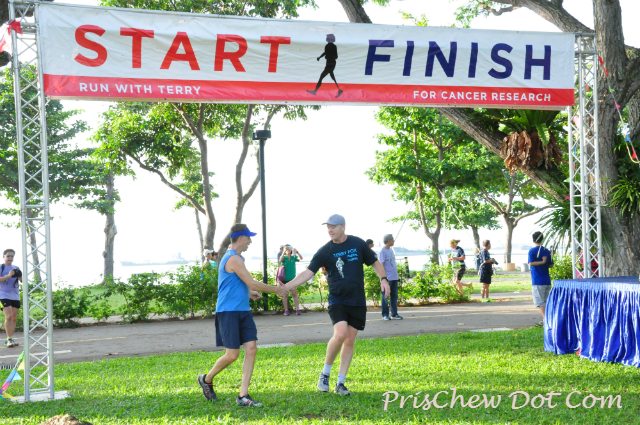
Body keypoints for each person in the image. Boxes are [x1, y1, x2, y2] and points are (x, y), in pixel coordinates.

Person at [284, 214, 390, 396]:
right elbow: (308, 273)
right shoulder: (325, 250)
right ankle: (325, 374)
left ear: (343, 227)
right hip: (337, 299)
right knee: (340, 334)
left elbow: (374, 262)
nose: (330, 230)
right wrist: (286, 287)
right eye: (328, 227)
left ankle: (340, 383)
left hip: (357, 299)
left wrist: (384, 279)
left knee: (350, 339)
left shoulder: (357, 243)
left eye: (333, 227)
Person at [197, 224, 288, 407]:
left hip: (243, 311)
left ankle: (243, 396)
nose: (250, 241)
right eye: (248, 238)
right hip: (228, 312)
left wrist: (248, 292)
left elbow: (238, 282)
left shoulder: (238, 258)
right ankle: (206, 379)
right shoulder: (232, 259)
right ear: (240, 238)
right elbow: (252, 283)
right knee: (232, 355)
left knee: (251, 349)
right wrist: (277, 289)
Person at [528, 231, 554, 327]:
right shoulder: (547, 251)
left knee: (540, 301)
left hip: (538, 280)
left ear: (533, 240)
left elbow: (531, 263)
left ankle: (546, 320)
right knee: (546, 300)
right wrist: (544, 263)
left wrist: (542, 262)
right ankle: (548, 318)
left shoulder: (532, 251)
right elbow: (551, 265)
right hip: (546, 279)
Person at [307, 34, 343, 98]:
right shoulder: (329, 46)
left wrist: (327, 56)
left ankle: (315, 91)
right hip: (330, 62)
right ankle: (339, 90)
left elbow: (335, 56)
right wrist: (320, 57)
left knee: (322, 76)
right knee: (332, 76)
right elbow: (325, 53)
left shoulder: (331, 46)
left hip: (330, 63)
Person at [0, 249, 22, 348]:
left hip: (15, 295)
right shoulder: (1, 267)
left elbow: (22, 280)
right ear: (4, 257)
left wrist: (20, 276)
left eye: (12, 256)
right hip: (3, 295)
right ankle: (8, 339)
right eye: (8, 256)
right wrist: (9, 275)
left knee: (13, 318)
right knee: (9, 316)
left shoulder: (16, 268)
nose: (10, 258)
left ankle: (10, 338)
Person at [378, 234, 403, 321]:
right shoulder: (382, 251)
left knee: (394, 296)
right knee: (385, 296)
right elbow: (381, 265)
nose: (394, 241)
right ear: (389, 240)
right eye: (392, 239)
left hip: (394, 277)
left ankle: (394, 314)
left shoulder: (391, 250)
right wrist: (384, 278)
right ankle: (385, 314)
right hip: (388, 278)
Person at [278, 244, 303, 316]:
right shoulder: (284, 257)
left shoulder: (293, 257)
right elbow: (279, 261)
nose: (288, 249)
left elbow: (301, 258)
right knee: (285, 295)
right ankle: (286, 310)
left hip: (292, 279)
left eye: (289, 248)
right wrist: (284, 251)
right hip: (284, 279)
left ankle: (297, 309)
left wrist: (297, 252)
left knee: (294, 294)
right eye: (287, 248)